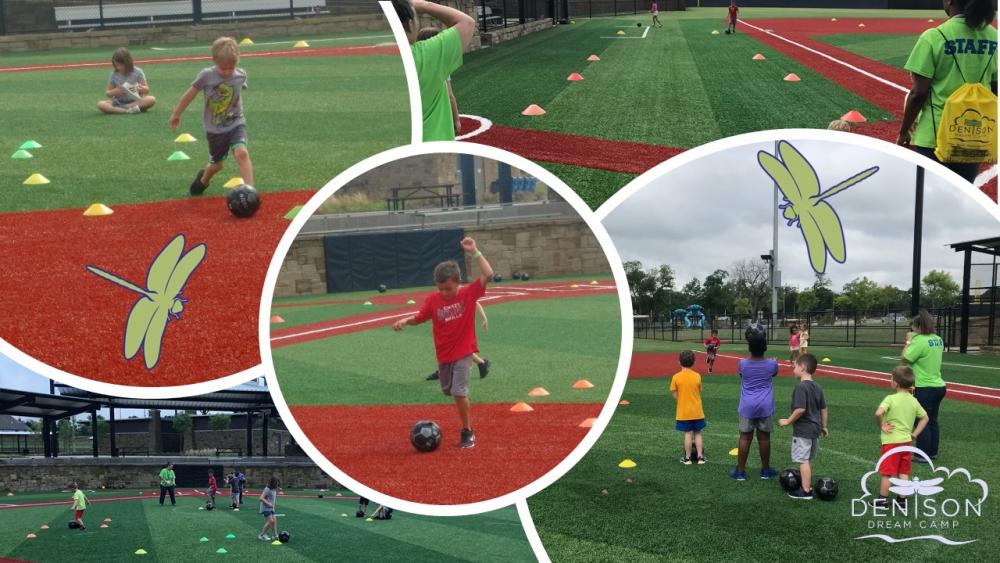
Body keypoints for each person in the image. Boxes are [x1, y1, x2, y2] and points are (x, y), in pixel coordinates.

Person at [394, 237, 494, 448]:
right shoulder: (433, 300)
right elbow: (420, 317)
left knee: (459, 391)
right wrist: (405, 320)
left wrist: (475, 251)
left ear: (458, 282)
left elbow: (488, 274)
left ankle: (467, 431)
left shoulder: (468, 293)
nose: (444, 292)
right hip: (444, 355)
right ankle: (461, 404)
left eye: (448, 288)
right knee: (448, 391)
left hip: (464, 352)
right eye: (441, 289)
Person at [897, 0, 997, 184]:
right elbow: (995, 89)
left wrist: (903, 132)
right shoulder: (994, 37)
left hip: (934, 139)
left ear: (950, 1)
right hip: (974, 137)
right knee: (960, 197)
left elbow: (918, 93)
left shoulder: (934, 36)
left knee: (928, 201)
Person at [169, 37, 254, 195]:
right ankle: (204, 179)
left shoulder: (241, 76)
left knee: (242, 153)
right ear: (214, 61)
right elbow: (189, 95)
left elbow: (238, 92)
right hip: (215, 130)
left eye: (231, 67)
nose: (228, 71)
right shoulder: (206, 75)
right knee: (217, 166)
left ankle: (251, 191)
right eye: (223, 68)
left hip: (236, 124)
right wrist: (176, 113)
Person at [392, 0, 475, 141]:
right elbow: (467, 23)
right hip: (434, 147)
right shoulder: (425, 55)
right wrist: (424, 6)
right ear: (409, 24)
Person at [874, 366, 930, 509]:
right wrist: (915, 433)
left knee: (887, 473)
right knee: (904, 471)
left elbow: (878, 413)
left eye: (891, 378)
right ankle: (901, 501)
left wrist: (882, 426)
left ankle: (882, 501)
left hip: (891, 442)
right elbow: (925, 418)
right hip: (906, 442)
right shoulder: (913, 400)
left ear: (896, 384)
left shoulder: (890, 398)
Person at [730, 324, 779, 481]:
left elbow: (741, 375)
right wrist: (773, 362)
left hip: (747, 406)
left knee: (745, 438)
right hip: (765, 406)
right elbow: (774, 373)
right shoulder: (772, 364)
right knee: (764, 438)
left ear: (749, 346)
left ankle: (740, 472)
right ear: (765, 346)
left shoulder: (742, 363)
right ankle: (765, 470)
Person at [778, 354, 829, 500]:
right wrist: (824, 426)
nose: (793, 369)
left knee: (803, 460)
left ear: (803, 367)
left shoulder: (801, 387)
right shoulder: (817, 386)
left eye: (795, 366)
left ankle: (806, 491)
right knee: (807, 459)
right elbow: (824, 408)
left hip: (803, 430)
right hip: (815, 429)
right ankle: (808, 484)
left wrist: (787, 421)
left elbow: (800, 409)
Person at [901, 310, 946, 461]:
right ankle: (932, 451)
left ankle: (921, 453)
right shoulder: (938, 339)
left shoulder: (919, 341)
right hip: (938, 385)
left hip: (924, 386)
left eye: (913, 326)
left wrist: (908, 341)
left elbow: (905, 359)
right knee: (932, 419)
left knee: (921, 420)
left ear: (919, 326)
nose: (911, 329)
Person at [427, 301, 491, 380]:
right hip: (451, 326)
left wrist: (484, 319)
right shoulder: (445, 295)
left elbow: (475, 302)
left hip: (462, 326)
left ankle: (481, 363)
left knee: (459, 348)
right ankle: (481, 363)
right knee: (446, 347)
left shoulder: (461, 293)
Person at [417, 27, 462, 136]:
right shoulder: (441, 68)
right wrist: (456, 119)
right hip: (437, 128)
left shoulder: (416, 64)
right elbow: (450, 96)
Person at [671, 350, 706, 465]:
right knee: (698, 433)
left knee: (687, 434)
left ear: (679, 362)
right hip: (697, 411)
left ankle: (687, 458)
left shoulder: (676, 377)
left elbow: (675, 395)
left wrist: (681, 402)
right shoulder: (697, 376)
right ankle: (700, 457)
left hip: (683, 411)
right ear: (694, 362)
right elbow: (699, 391)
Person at [96, 47, 156, 115]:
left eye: (121, 65)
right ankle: (126, 111)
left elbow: (147, 90)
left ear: (128, 62)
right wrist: (115, 92)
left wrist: (140, 88)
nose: (119, 67)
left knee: (151, 99)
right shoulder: (114, 74)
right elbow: (108, 93)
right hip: (118, 102)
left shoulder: (138, 72)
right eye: (116, 65)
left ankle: (122, 109)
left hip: (136, 101)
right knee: (100, 104)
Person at [258, 477, 279, 541]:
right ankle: (262, 535)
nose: (277, 484)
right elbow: (261, 498)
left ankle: (275, 535)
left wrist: (271, 506)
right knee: (271, 521)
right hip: (265, 508)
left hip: (271, 508)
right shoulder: (267, 489)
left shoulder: (274, 489)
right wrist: (268, 504)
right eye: (276, 483)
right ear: (273, 483)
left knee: (274, 521)